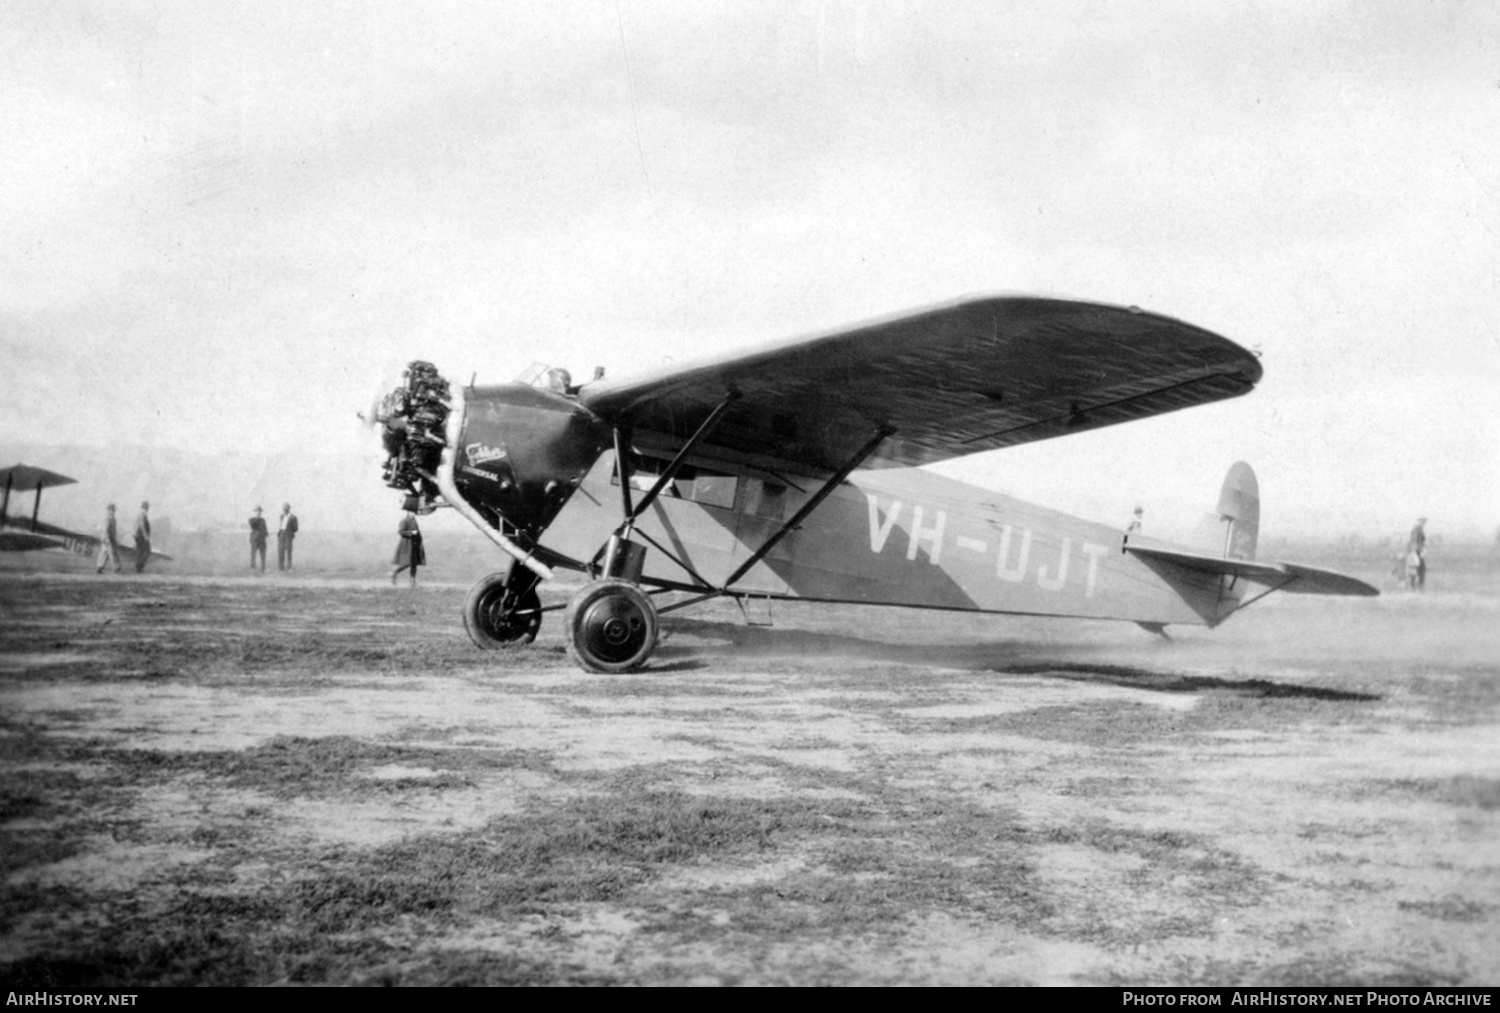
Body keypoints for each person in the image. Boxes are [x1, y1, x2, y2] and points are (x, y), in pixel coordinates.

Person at [391, 507, 424, 587]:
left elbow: (418, 533)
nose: (414, 514)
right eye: (412, 512)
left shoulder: (414, 521)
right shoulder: (404, 521)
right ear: (408, 512)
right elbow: (401, 531)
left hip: (415, 544)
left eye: (414, 513)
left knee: (414, 564)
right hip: (407, 545)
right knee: (407, 563)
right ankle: (395, 573)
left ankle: (412, 581)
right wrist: (412, 533)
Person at [95, 503, 121, 574]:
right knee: (112, 553)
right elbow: (105, 529)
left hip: (108, 538)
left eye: (113, 510)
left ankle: (99, 568)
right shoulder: (108, 518)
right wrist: (107, 539)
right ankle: (115, 569)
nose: (113, 511)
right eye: (112, 510)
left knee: (104, 553)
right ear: (109, 510)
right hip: (108, 538)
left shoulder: (112, 518)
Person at [1406, 516, 1428, 591]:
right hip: (1416, 551)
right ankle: (1418, 587)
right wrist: (1415, 551)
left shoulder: (1418, 528)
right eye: (1423, 521)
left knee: (1418, 569)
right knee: (1419, 569)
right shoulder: (1417, 529)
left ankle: (1416, 587)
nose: (1424, 523)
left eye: (1424, 521)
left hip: (1416, 551)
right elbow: (1415, 541)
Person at [277, 503, 299, 571]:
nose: (285, 510)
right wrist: (280, 532)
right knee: (281, 551)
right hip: (281, 535)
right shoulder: (282, 516)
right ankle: (281, 567)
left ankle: (289, 567)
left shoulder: (293, 517)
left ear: (289, 509)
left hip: (288, 536)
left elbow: (295, 528)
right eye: (284, 509)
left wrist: (289, 531)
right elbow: (281, 525)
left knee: (289, 551)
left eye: (286, 509)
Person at [133, 501, 152, 573]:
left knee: (140, 551)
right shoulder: (142, 514)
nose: (148, 509)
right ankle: (139, 566)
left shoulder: (140, 514)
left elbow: (136, 525)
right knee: (147, 551)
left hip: (138, 535)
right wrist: (145, 535)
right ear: (145, 507)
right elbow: (142, 525)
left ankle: (138, 567)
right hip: (141, 536)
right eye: (147, 507)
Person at [249, 506, 269, 573]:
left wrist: (266, 533)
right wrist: (257, 518)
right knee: (253, 554)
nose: (259, 512)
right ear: (255, 512)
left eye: (260, 511)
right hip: (254, 539)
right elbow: (253, 525)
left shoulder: (263, 520)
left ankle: (263, 568)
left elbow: (265, 528)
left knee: (263, 554)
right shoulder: (251, 519)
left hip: (262, 540)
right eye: (257, 511)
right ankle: (253, 567)